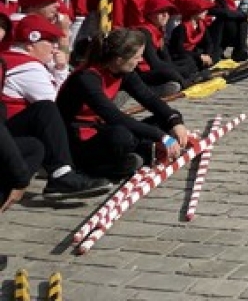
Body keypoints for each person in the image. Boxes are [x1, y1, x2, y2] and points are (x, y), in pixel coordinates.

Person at [0, 14, 112, 200]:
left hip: (9, 128)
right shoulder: (28, 67)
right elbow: (58, 104)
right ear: (31, 44)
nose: (54, 48)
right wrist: (60, 71)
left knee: (37, 143)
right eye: (50, 41)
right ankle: (62, 173)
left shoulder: (13, 59)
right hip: (7, 133)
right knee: (46, 110)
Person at [57, 29, 191, 180]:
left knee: (167, 119)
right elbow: (115, 117)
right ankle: (105, 165)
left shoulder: (123, 71)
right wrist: (162, 137)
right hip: (77, 138)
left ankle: (141, 153)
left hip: (101, 128)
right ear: (119, 60)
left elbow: (149, 99)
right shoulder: (86, 78)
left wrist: (174, 121)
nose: (140, 60)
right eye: (136, 57)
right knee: (122, 136)